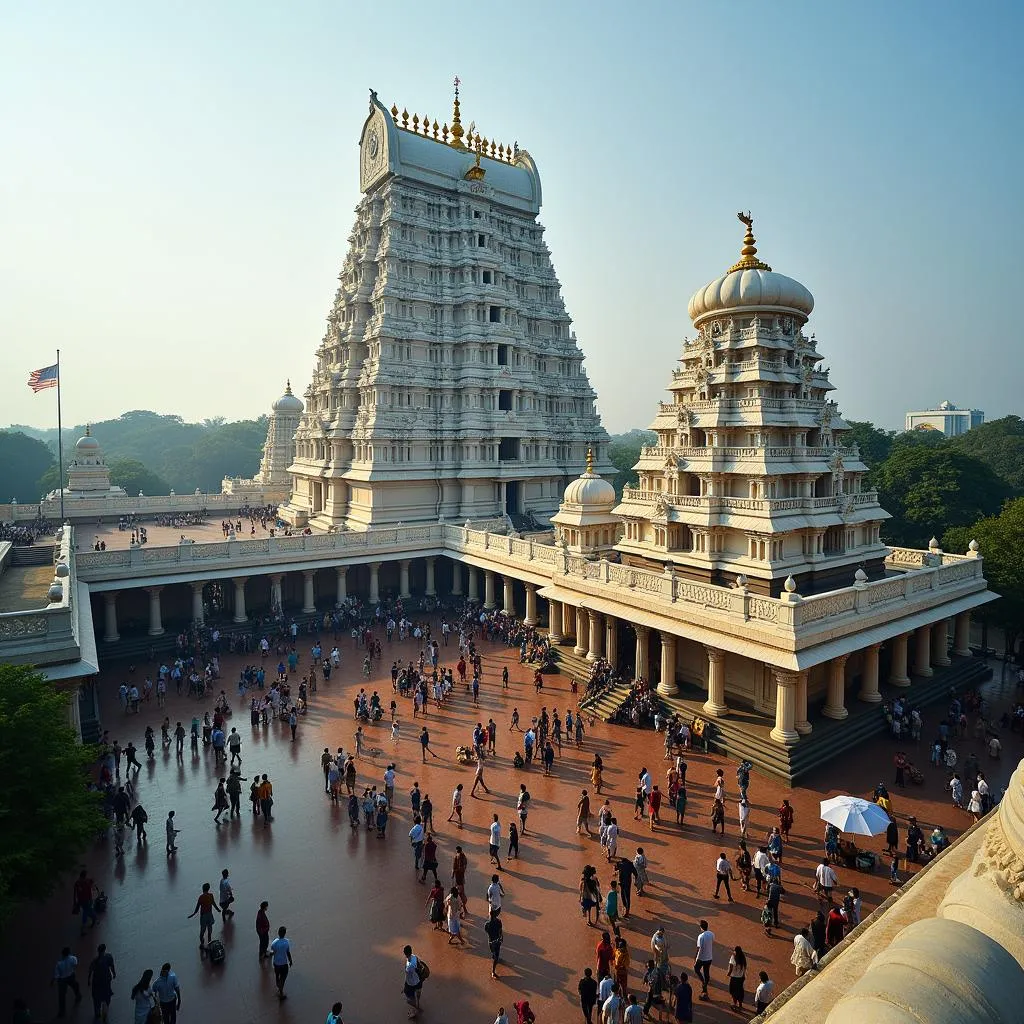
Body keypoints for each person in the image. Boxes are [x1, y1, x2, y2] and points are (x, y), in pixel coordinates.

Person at [187, 883, 221, 951]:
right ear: (208, 889)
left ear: (203, 889)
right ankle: (209, 942)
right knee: (209, 930)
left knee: (202, 931)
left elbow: (197, 908)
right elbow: (213, 903)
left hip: (203, 916)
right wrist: (218, 909)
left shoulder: (201, 897)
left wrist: (193, 914)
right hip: (209, 915)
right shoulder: (211, 895)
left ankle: (202, 943)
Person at [87, 944, 116, 1021]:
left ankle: (97, 1012)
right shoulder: (109, 957)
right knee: (107, 996)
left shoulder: (95, 961)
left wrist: (88, 979)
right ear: (104, 950)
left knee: (96, 997)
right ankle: (105, 1010)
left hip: (97, 982)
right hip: (106, 980)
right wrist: (114, 973)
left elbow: (90, 970)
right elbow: (112, 966)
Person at [270, 926, 293, 999]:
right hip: (283, 963)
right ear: (284, 933)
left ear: (278, 933)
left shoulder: (275, 942)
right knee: (283, 977)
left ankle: (278, 985)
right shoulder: (286, 942)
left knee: (277, 975)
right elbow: (288, 952)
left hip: (276, 963)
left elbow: (273, 950)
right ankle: (281, 991)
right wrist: (290, 960)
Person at [694, 920, 714, 1000]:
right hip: (709, 957)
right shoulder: (712, 934)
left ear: (701, 927)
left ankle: (703, 983)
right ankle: (705, 983)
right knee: (706, 972)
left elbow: (698, 948)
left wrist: (695, 958)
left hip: (701, 957)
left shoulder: (701, 936)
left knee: (696, 969)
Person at [403, 944, 423, 1018]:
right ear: (411, 952)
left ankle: (415, 1009)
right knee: (418, 993)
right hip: (419, 981)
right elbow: (419, 964)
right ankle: (418, 1003)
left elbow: (407, 978)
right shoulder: (415, 957)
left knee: (409, 1000)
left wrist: (404, 987)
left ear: (405, 954)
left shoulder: (408, 967)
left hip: (411, 984)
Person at [485, 908, 504, 978]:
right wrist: (502, 937)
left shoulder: (487, 924)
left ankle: (495, 959)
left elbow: (487, 931)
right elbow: (500, 930)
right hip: (497, 940)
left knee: (494, 954)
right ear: (496, 914)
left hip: (491, 941)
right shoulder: (499, 921)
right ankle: (493, 971)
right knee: (497, 954)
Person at [727, 946, 747, 1011]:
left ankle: (735, 1004)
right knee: (740, 991)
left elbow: (730, 968)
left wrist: (728, 974)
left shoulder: (733, 957)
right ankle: (740, 1005)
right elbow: (745, 968)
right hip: (741, 978)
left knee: (733, 991)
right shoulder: (743, 958)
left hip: (734, 978)